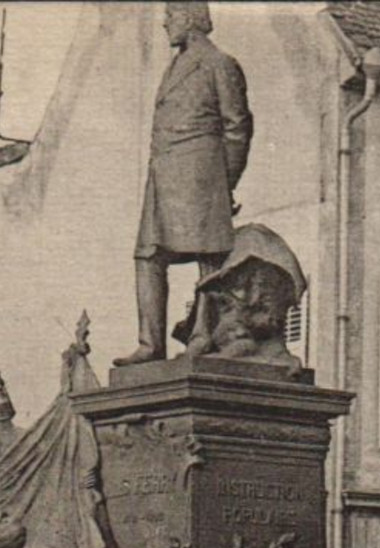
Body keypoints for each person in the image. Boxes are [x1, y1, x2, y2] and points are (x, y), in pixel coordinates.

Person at [114, 1, 254, 366]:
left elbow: (237, 126)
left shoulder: (219, 63)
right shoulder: (175, 65)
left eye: (171, 16)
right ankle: (151, 344)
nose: (164, 24)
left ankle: (203, 335)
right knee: (148, 255)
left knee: (208, 256)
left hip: (201, 174)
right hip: (164, 178)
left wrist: (226, 183)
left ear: (191, 19)